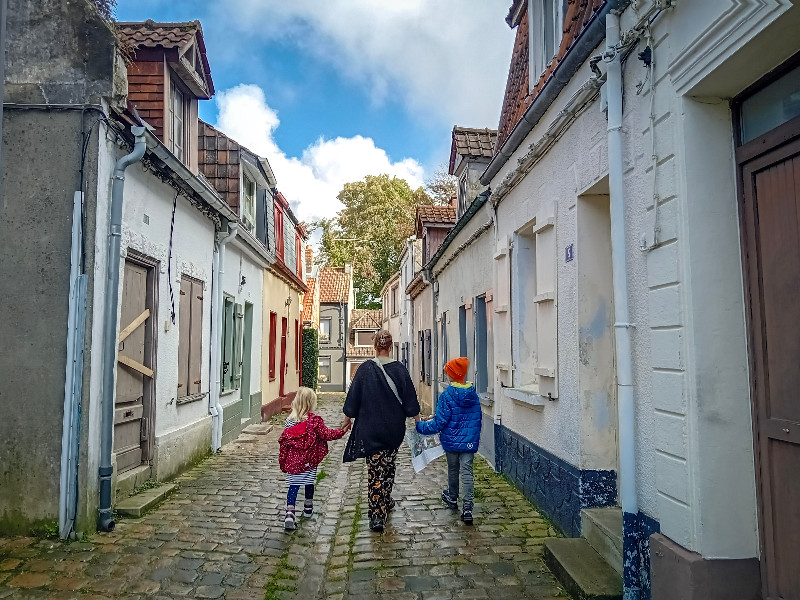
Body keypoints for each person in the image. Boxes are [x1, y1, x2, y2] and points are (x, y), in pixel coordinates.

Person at [342, 329, 420, 532]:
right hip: (394, 429)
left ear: (375, 345)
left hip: (371, 428)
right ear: (390, 346)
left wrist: (347, 418)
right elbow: (410, 400)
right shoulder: (400, 370)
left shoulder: (365, 369)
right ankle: (386, 499)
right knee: (389, 464)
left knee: (376, 469)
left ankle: (378, 515)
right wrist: (417, 420)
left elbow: (353, 397)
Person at [416, 357, 481, 524]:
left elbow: (439, 422)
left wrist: (420, 426)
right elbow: (477, 419)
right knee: (467, 473)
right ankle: (467, 508)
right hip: (468, 442)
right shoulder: (473, 394)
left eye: (448, 373)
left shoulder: (447, 396)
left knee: (453, 469)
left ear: (452, 375)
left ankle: (452, 498)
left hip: (451, 441)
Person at [278, 387, 350, 531]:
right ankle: (308, 508)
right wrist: (342, 431)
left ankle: (290, 514)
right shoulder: (315, 421)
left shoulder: (289, 422)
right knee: (309, 482)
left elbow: (285, 443)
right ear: (311, 403)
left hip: (293, 462)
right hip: (309, 462)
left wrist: (283, 461)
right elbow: (327, 434)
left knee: (293, 486)